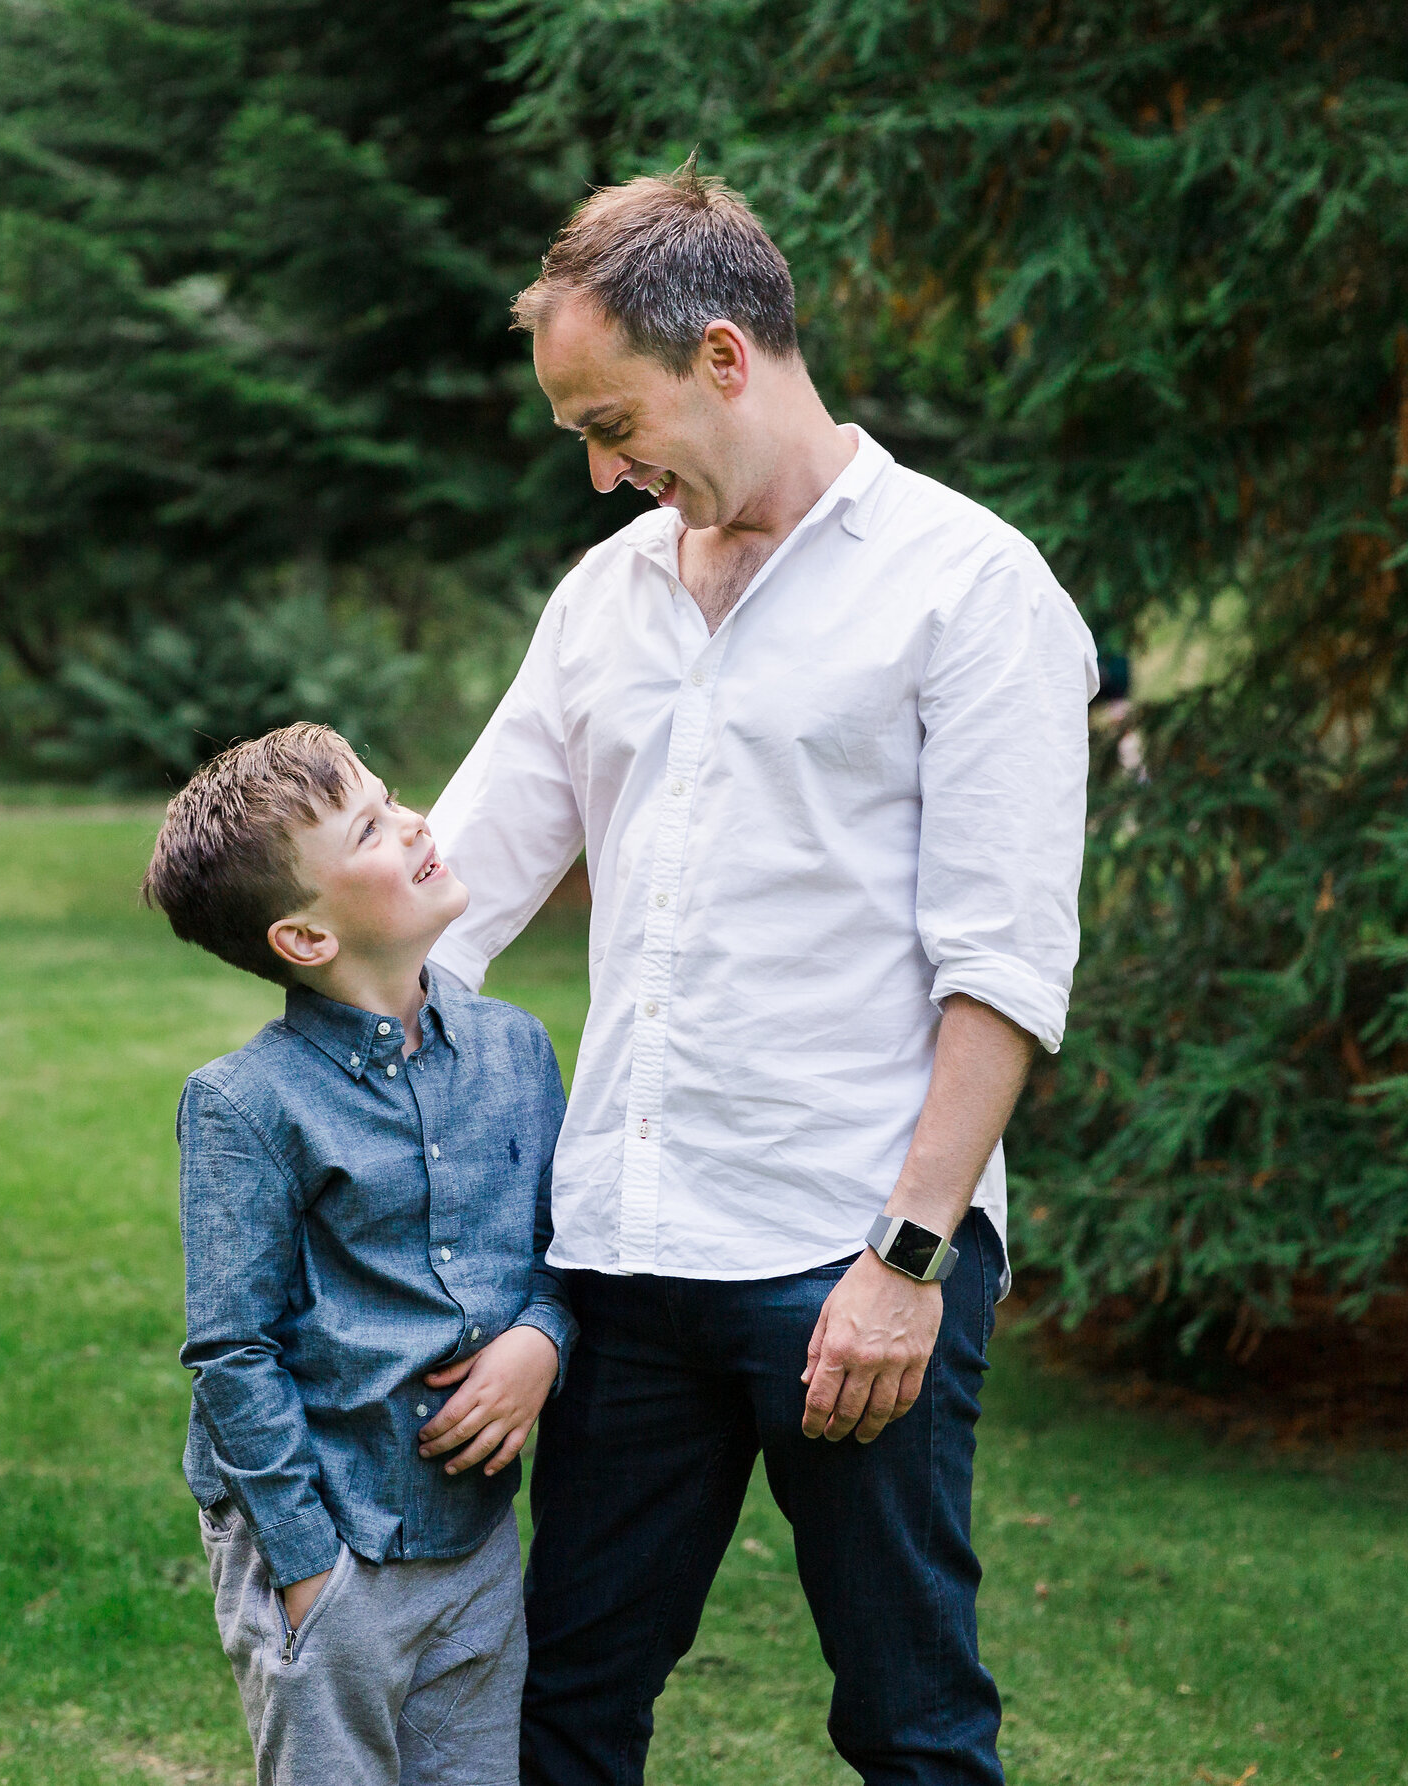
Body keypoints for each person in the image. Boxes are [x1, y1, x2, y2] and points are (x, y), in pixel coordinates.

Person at [424, 163, 1098, 1785]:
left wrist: (908, 1258)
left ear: (725, 356)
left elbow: (1003, 965)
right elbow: (457, 891)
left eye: (609, 420)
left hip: (846, 1256)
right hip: (622, 1253)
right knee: (564, 1705)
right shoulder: (606, 599)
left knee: (911, 1718)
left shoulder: (970, 587)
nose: (597, 473)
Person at [143, 722, 576, 1786]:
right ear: (304, 937)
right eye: (372, 828)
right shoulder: (245, 1105)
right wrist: (305, 1569)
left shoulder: (516, 1050)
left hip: (472, 1538)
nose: (418, 821)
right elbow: (232, 1352)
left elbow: (563, 1246)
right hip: (329, 1537)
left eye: (392, 797)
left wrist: (542, 1334)